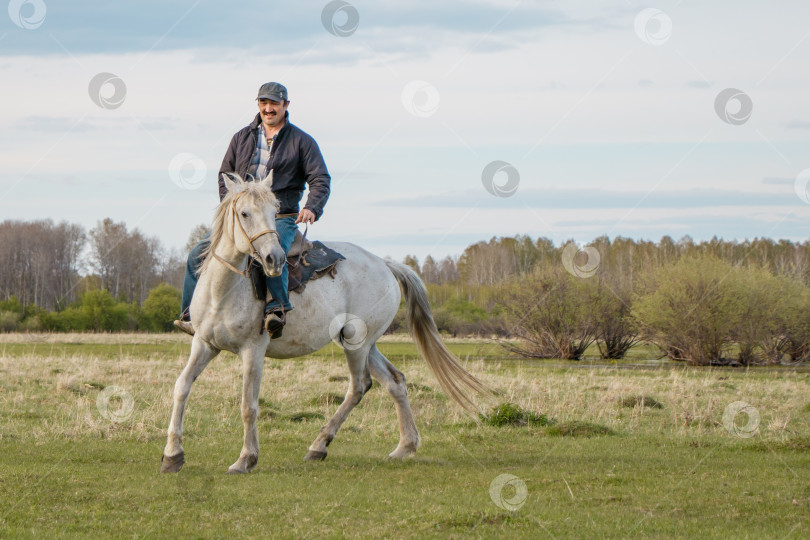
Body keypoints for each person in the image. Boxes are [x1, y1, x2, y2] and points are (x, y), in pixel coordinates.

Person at [174, 82, 331, 338]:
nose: (268, 109)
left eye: (274, 104)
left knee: (272, 251)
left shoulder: (302, 141)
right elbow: (225, 174)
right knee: (196, 255)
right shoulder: (241, 137)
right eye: (263, 103)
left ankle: (276, 308)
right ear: (258, 104)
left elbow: (320, 178)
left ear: (285, 106)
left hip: (279, 215)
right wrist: (231, 211)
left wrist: (312, 207)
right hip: (243, 216)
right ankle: (190, 315)